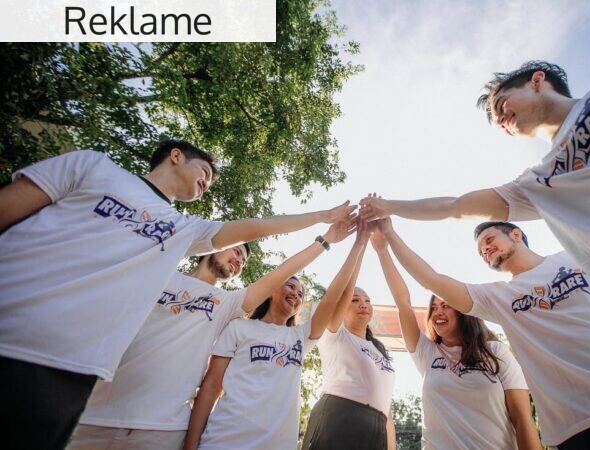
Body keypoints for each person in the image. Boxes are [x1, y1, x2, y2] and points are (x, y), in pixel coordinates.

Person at [358, 28, 590, 406]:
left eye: (501, 104)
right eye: (495, 120)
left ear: (537, 82)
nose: (500, 120)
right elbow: (455, 207)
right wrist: (389, 207)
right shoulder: (537, 183)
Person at [0, 139, 356, 449]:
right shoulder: (98, 171)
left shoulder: (210, 276)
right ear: (175, 156)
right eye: (204, 171)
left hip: (119, 404)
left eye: (243, 259)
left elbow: (272, 263)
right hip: (89, 405)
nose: (237, 257)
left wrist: (323, 229)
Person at [378, 218, 590, 449]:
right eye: (480, 250)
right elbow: (429, 280)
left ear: (516, 234)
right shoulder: (500, 298)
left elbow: (521, 416)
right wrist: (388, 239)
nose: (485, 250)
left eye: (488, 239)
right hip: (576, 428)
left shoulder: (575, 257)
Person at [70, 216, 354, 449]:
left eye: (243, 261)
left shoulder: (227, 305)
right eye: (236, 250)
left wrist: (326, 241)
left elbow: (281, 274)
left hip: (163, 429)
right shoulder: (160, 274)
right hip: (94, 414)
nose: (239, 260)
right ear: (214, 245)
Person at [182, 220, 367, 450]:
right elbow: (211, 388)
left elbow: (333, 297)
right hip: (223, 442)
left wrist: (359, 245)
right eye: (290, 287)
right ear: (272, 291)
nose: (295, 295)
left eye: (300, 294)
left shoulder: (301, 337)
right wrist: (190, 445)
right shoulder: (239, 327)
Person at [371, 225, 540, 450]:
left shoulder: (495, 352)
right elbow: (403, 302)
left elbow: (522, 418)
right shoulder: (426, 353)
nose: (438, 312)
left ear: (463, 311)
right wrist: (382, 250)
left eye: (446, 305)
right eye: (435, 307)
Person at [302, 222, 396, 450]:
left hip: (376, 426)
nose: (363, 304)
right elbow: (343, 290)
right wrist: (361, 242)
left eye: (367, 301)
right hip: (340, 417)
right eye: (355, 300)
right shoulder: (335, 334)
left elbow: (386, 407)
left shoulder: (378, 350)